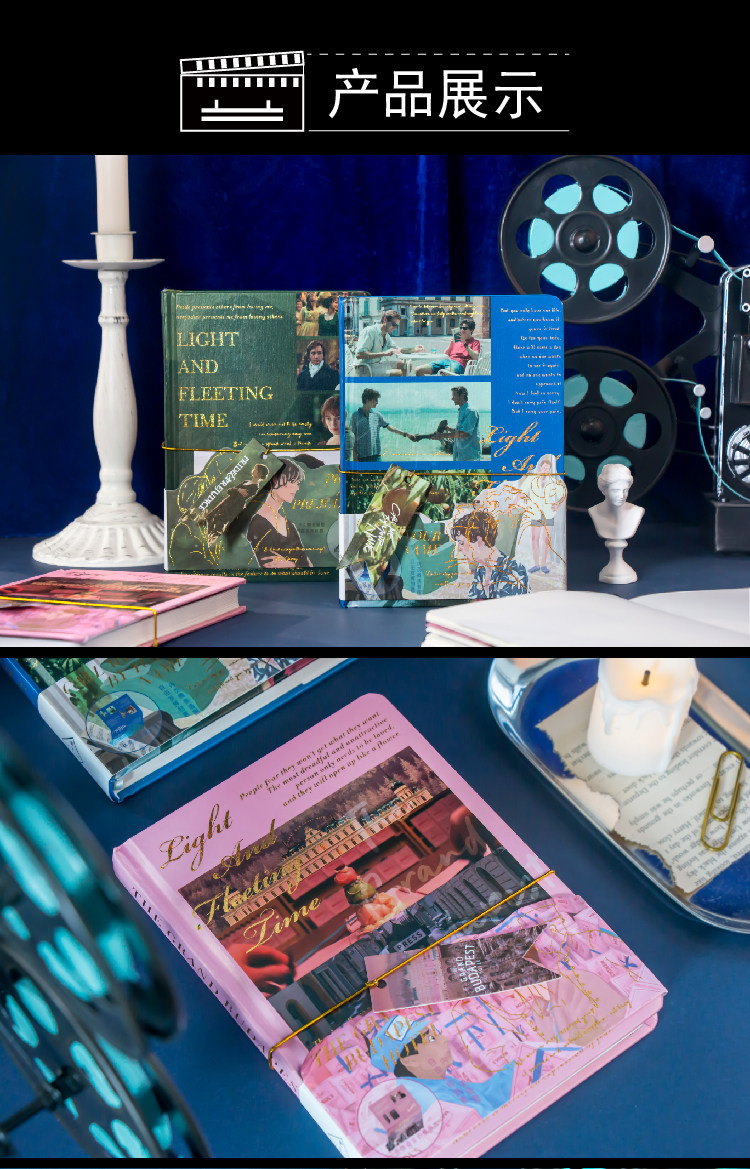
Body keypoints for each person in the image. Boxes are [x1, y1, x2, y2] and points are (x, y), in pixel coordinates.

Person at [246, 459, 313, 569]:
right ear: (275, 480)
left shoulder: (289, 525)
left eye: (297, 483)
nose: (297, 488)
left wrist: (291, 564)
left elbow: (309, 566)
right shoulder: (258, 523)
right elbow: (272, 567)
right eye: (292, 481)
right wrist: (296, 565)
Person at [450, 508, 528, 598]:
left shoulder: (513, 571)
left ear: (479, 540)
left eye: (462, 543)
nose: (459, 549)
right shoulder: (481, 569)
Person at [517, 453, 566, 575]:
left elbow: (562, 495)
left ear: (550, 470)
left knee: (545, 539)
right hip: (535, 513)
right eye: (543, 468)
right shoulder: (532, 479)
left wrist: (558, 506)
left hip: (548, 513)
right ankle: (536, 565)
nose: (545, 470)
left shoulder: (553, 482)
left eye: (547, 468)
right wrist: (517, 503)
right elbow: (521, 491)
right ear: (540, 467)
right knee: (534, 538)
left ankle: (543, 565)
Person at [349, 388, 414, 461]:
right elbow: (352, 437)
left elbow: (390, 428)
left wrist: (405, 434)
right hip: (361, 457)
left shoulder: (377, 415)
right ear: (367, 401)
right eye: (375, 400)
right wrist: (354, 456)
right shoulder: (355, 416)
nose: (377, 402)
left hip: (376, 456)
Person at [418, 386, 480, 461]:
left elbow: (464, 433)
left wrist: (442, 435)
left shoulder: (471, 411)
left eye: (454, 396)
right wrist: (449, 429)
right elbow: (462, 430)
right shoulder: (462, 411)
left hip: (469, 457)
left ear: (462, 395)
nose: (452, 398)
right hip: (461, 455)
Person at [355, 310, 424, 376]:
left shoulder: (386, 335)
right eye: (394, 324)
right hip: (365, 368)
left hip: (377, 364)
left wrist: (413, 349)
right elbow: (359, 354)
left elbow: (397, 349)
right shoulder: (369, 331)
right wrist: (384, 353)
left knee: (406, 365)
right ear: (385, 320)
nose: (395, 328)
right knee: (399, 373)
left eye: (397, 326)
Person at [588, 462, 644, 540]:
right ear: (604, 490)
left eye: (625, 490)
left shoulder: (637, 511)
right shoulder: (594, 511)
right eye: (615, 491)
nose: (621, 496)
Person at [415, 317, 481, 375]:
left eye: (464, 328)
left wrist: (465, 344)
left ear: (471, 330)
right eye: (461, 328)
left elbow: (476, 357)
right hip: (447, 361)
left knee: (445, 373)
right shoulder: (457, 340)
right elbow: (446, 354)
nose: (461, 330)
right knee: (419, 370)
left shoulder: (475, 342)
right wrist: (451, 344)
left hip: (459, 364)